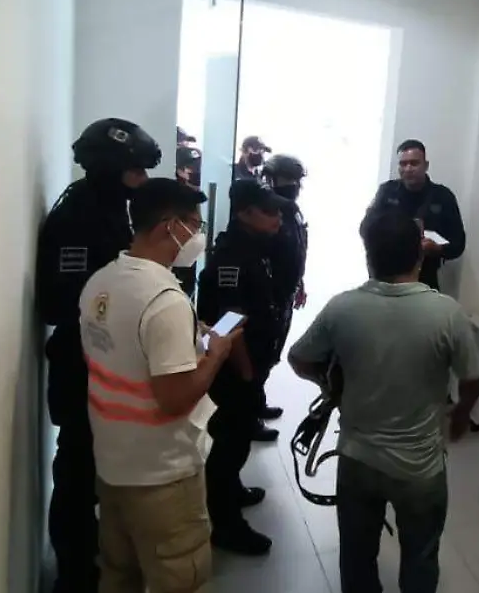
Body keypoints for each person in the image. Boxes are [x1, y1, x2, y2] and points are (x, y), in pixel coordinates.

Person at [288, 210, 479, 593]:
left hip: (357, 459)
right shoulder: (446, 312)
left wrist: (330, 387)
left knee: (356, 555)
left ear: (369, 255)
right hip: (419, 468)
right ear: (420, 255)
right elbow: (473, 379)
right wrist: (460, 415)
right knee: (421, 555)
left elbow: (299, 358)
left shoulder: (343, 307)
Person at [79, 178, 241, 593]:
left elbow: (122, 356)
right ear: (170, 226)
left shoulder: (101, 281)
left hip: (112, 464)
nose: (199, 238)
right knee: (180, 577)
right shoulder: (164, 300)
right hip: (163, 476)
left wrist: (188, 341)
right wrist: (215, 355)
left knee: (119, 575)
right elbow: (174, 399)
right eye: (195, 226)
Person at [36, 118, 161, 593]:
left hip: (105, 364)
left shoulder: (112, 208)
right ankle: (73, 576)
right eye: (136, 171)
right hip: (80, 367)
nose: (142, 180)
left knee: (96, 469)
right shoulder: (77, 217)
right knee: (76, 472)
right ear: (110, 169)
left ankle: (96, 560)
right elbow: (60, 303)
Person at [197, 180, 288, 555]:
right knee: (229, 443)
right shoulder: (233, 256)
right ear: (245, 213)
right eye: (269, 212)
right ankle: (225, 524)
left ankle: (232, 490)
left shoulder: (254, 247)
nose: (278, 218)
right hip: (234, 369)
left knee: (237, 440)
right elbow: (228, 321)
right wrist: (247, 374)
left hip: (250, 362)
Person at [359, 139, 465, 291]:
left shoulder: (443, 196)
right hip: (386, 276)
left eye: (414, 163)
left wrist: (437, 249)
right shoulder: (387, 191)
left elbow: (458, 244)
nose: (408, 169)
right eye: (403, 164)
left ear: (426, 165)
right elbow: (365, 228)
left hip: (425, 277)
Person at [259, 154, 309, 429]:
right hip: (267, 296)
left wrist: (299, 282)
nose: (293, 185)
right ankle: (248, 414)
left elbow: (297, 249)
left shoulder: (292, 210)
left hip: (286, 293)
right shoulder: (265, 210)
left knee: (272, 353)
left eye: (296, 180)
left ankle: (257, 402)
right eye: (288, 179)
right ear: (272, 179)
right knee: (260, 355)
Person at [173, 145, 203, 298]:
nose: (198, 171)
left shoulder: (195, 194)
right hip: (175, 261)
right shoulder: (174, 196)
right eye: (192, 167)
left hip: (190, 262)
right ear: (179, 170)